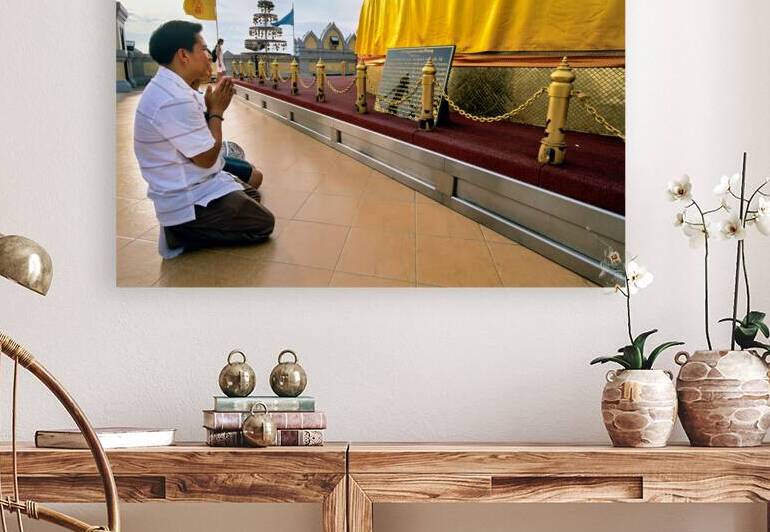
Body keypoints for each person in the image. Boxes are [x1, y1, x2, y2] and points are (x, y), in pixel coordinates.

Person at [133, 20, 274, 258]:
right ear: (183, 55)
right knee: (263, 223)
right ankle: (181, 232)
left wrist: (203, 93)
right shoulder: (173, 98)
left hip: (199, 178)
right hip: (187, 195)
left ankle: (209, 214)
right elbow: (208, 158)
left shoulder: (174, 86)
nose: (208, 56)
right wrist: (217, 111)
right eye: (204, 50)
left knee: (253, 194)